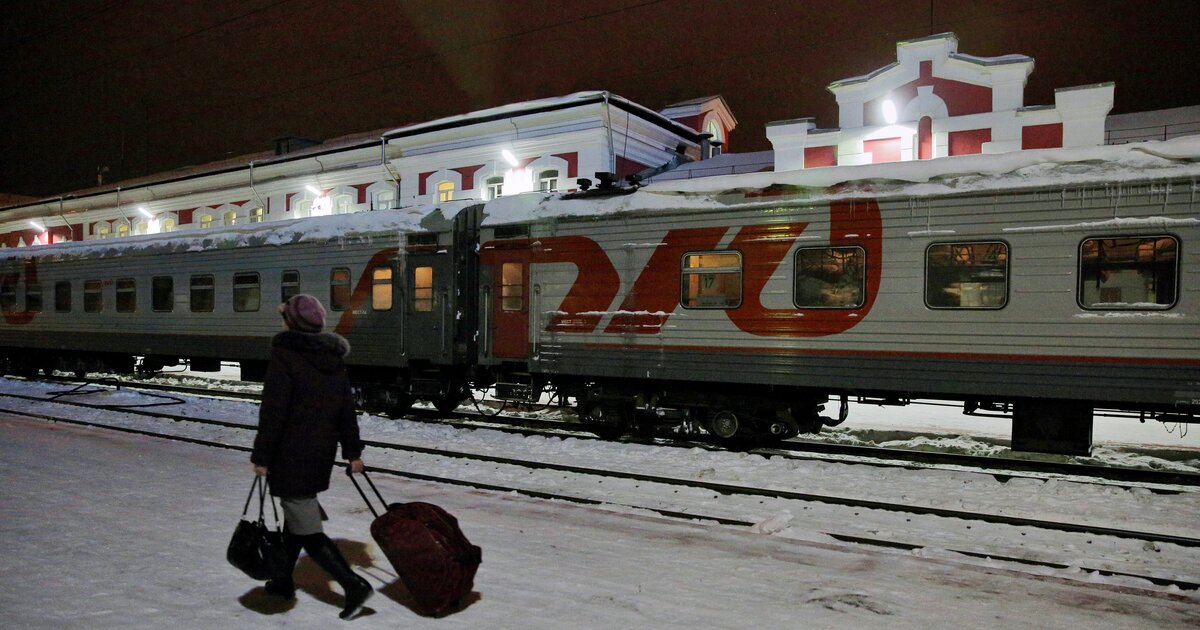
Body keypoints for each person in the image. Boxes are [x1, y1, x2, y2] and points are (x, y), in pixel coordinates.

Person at [250, 293, 373, 620]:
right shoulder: (332, 358)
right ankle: (282, 581)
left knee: (308, 530)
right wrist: (352, 452)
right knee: (296, 518)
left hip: (290, 455)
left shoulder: (285, 355)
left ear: (291, 322)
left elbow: (274, 413)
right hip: (319, 455)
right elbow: (346, 409)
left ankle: (352, 584)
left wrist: (262, 455)